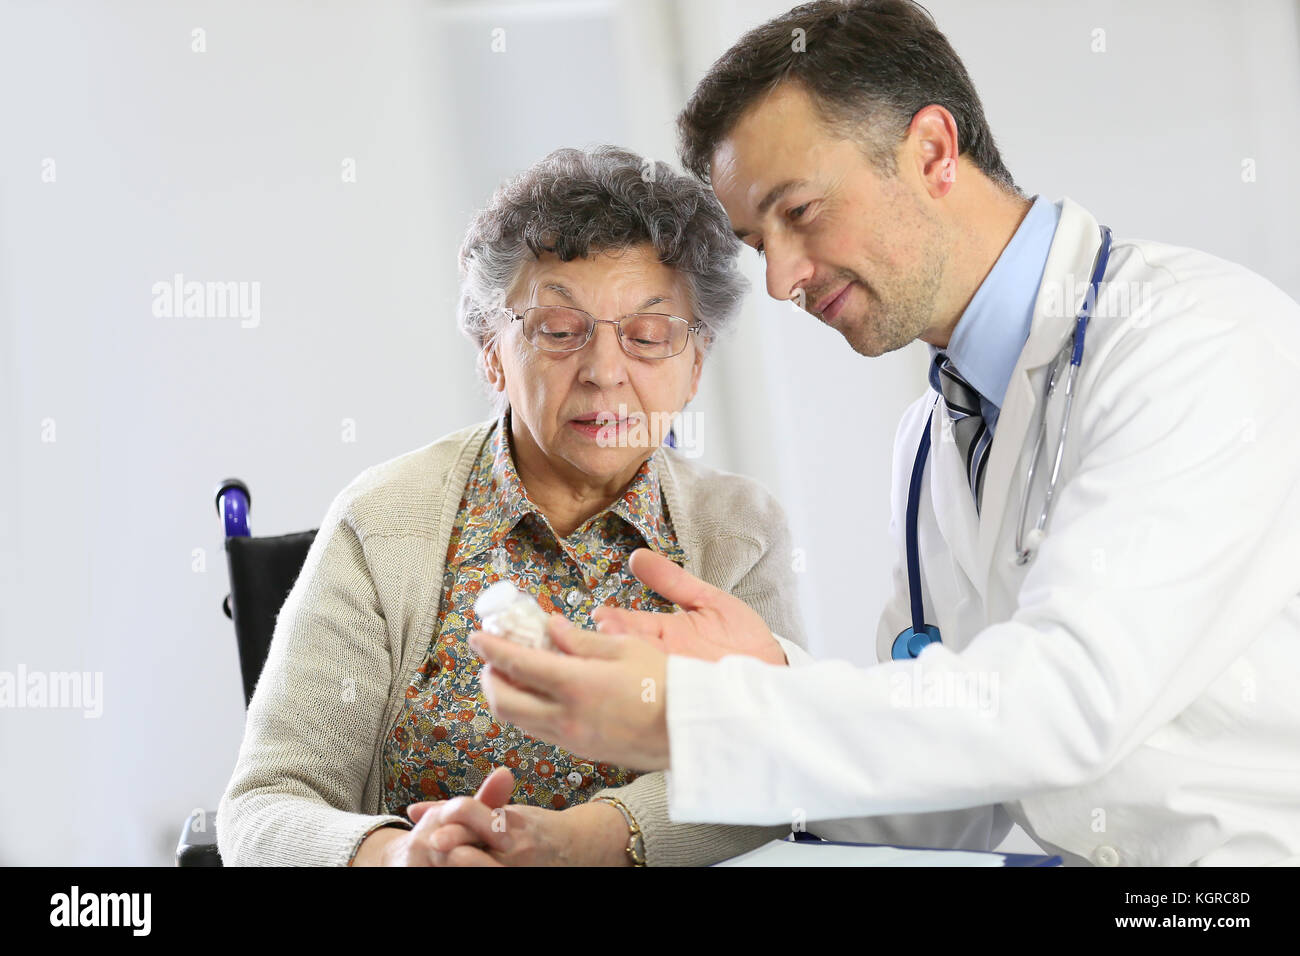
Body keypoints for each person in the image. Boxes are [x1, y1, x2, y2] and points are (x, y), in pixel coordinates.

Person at [466, 0, 1300, 866]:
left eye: (800, 212)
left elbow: (1068, 704)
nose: (782, 279)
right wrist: (764, 682)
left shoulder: (1193, 341)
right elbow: (947, 803)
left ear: (933, 152)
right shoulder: (932, 436)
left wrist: (699, 714)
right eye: (758, 243)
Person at [216, 144, 808, 867]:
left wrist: (570, 844)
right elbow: (265, 807)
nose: (603, 372)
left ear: (695, 366)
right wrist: (403, 859)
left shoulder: (739, 529)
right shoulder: (382, 520)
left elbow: (773, 766)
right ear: (492, 352)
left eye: (649, 336)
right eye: (559, 332)